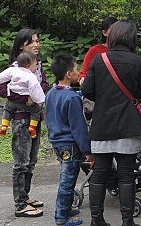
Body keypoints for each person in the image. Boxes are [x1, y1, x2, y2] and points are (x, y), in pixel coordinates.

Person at [81, 20, 141, 226]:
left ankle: (97, 221)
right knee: (127, 175)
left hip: (102, 125)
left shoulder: (99, 60)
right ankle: (128, 222)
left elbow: (86, 91)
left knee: (99, 175)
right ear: (131, 38)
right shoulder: (137, 61)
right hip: (128, 125)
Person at [0, 28, 48, 218]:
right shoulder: (14, 68)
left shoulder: (38, 64)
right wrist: (27, 96)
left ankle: (25, 197)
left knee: (31, 162)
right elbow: (2, 90)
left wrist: (37, 94)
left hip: (36, 119)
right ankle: (19, 205)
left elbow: (44, 84)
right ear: (21, 46)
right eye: (31, 42)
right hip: (20, 120)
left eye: (37, 41)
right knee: (21, 163)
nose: (36, 45)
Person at [46, 54, 93, 226]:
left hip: (57, 143)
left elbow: (50, 119)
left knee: (68, 177)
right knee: (67, 181)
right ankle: (61, 217)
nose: (78, 72)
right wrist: (87, 151)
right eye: (75, 68)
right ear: (68, 74)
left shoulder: (51, 93)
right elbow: (78, 128)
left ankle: (67, 208)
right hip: (70, 145)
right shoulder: (72, 98)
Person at [0, 51, 45, 137]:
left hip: (12, 101)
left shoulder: (13, 70)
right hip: (25, 103)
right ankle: (32, 128)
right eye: (35, 65)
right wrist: (40, 100)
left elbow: (1, 77)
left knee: (7, 109)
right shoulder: (31, 76)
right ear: (28, 66)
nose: (36, 68)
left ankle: (4, 126)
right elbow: (35, 90)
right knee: (36, 110)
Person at [79, 16, 118, 85]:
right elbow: (83, 73)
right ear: (104, 33)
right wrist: (83, 79)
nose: (116, 33)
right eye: (113, 31)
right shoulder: (94, 50)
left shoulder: (125, 51)